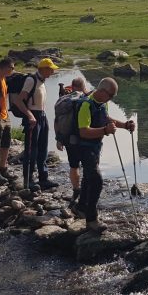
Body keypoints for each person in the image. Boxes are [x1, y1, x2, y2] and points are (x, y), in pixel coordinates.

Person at [72, 77, 135, 233]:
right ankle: (91, 220)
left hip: (95, 147)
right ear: (101, 91)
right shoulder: (86, 105)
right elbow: (83, 131)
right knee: (97, 181)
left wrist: (125, 125)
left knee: (88, 178)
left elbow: (106, 118)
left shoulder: (101, 103)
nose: (112, 99)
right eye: (111, 95)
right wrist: (105, 131)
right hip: (84, 148)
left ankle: (80, 208)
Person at [13, 58, 61, 192]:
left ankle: (43, 178)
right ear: (43, 69)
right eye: (51, 69)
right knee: (31, 150)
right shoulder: (31, 80)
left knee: (43, 148)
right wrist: (29, 115)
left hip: (42, 116)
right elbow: (18, 101)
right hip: (33, 117)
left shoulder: (42, 82)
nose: (52, 72)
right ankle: (28, 180)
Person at [58, 77, 90, 207]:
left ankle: (76, 190)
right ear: (83, 86)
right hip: (85, 138)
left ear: (71, 86)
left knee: (74, 165)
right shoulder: (87, 99)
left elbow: (57, 121)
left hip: (69, 139)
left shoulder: (64, 100)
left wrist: (59, 139)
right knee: (88, 166)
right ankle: (87, 193)